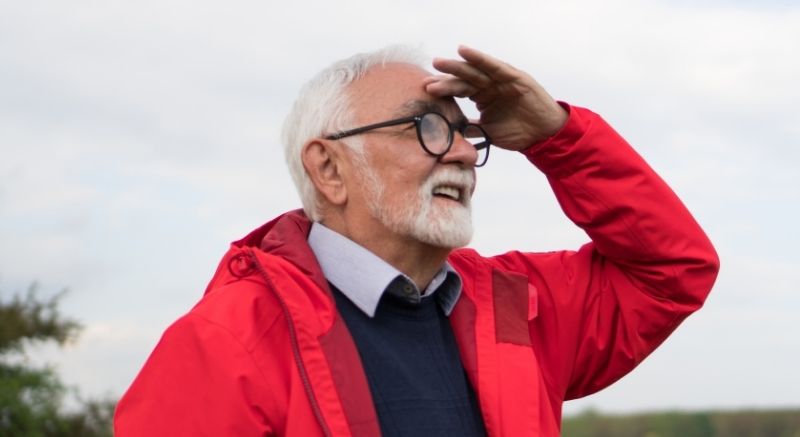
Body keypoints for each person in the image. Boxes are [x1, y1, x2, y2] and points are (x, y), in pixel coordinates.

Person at [114, 45, 719, 436]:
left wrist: (557, 137)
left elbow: (672, 269)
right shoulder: (228, 342)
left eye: (466, 133)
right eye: (425, 126)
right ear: (328, 169)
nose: (460, 152)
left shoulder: (522, 306)